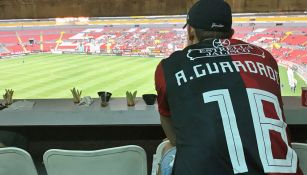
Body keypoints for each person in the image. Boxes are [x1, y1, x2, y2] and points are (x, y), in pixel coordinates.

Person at [154, 0, 302, 174]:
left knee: (166, 151)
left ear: (190, 31)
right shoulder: (267, 58)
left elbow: (174, 136)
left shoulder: (169, 66)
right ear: (231, 33)